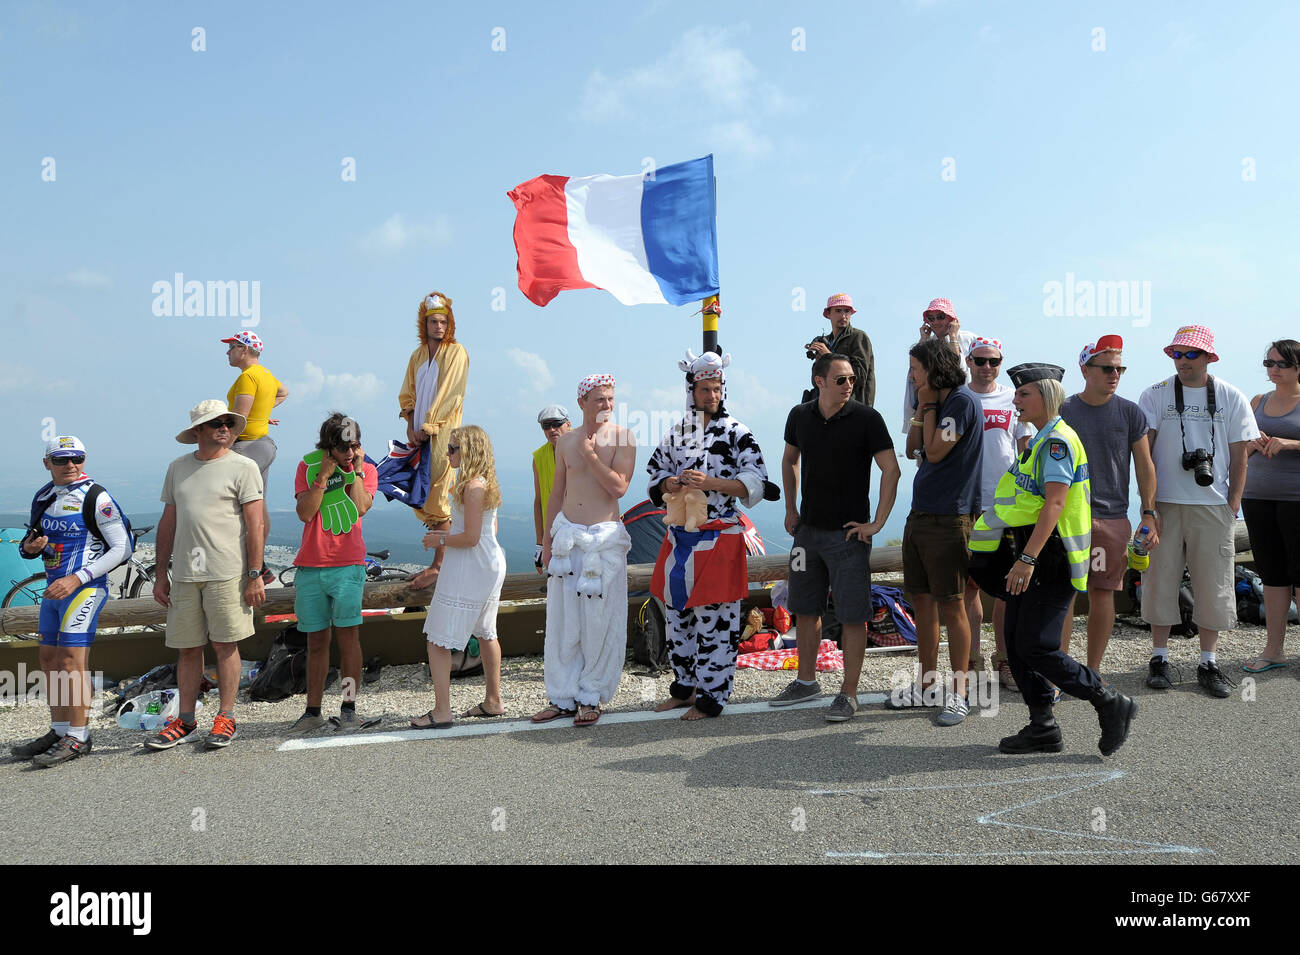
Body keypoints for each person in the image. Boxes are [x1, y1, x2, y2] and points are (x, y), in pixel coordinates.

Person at [969, 363, 1138, 756]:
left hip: (1051, 558)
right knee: (1015, 641)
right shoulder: (1038, 442)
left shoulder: (1058, 442)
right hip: (1030, 554)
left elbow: (1056, 504)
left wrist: (1027, 559)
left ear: (1046, 396)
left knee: (1038, 646)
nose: (1015, 400)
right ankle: (1042, 726)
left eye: (1024, 394)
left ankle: (1109, 700)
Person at [647, 351, 776, 720]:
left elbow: (757, 484)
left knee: (717, 621)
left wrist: (713, 483)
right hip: (681, 536)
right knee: (678, 616)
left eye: (717, 388)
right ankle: (684, 688)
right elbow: (655, 474)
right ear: (692, 391)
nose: (712, 396)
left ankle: (712, 698)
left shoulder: (738, 433)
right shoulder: (677, 431)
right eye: (705, 389)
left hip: (720, 535)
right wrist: (668, 483)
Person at [770, 354, 900, 721]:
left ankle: (849, 693)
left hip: (849, 536)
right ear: (819, 381)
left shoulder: (867, 418)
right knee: (803, 607)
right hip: (806, 533)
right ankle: (806, 681)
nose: (849, 385)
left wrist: (876, 523)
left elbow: (891, 469)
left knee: (853, 615)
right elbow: (789, 460)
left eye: (852, 379)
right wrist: (790, 509)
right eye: (841, 379)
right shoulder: (799, 415)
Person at [1138, 326, 1258, 697]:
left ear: (1209, 358)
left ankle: (1208, 661)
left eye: (1192, 354)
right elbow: (1144, 453)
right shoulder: (1155, 394)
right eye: (1177, 353)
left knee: (1214, 584)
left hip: (1213, 506)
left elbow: (1241, 455)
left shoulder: (1229, 396)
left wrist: (1233, 503)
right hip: (1166, 504)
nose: (1183, 361)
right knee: (1160, 580)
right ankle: (1159, 658)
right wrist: (1148, 508)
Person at [146, 400, 266, 751]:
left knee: (226, 646)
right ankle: (185, 720)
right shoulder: (177, 468)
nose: (224, 428)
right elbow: (168, 522)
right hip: (183, 574)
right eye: (216, 423)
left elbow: (256, 524)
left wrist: (255, 573)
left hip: (227, 572)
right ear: (198, 431)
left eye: (228, 422)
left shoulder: (244, 467)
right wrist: (161, 574)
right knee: (187, 649)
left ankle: (226, 717)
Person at [10, 436, 128, 766]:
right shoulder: (44, 496)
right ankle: (60, 729)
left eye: (77, 458)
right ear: (47, 463)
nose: (71, 465)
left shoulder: (96, 496)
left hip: (84, 589)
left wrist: (78, 578)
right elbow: (30, 542)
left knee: (71, 662)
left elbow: (123, 548)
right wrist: (31, 549)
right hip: (54, 590)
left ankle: (79, 737)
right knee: (49, 659)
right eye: (61, 460)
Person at [531, 375, 636, 727]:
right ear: (582, 403)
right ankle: (562, 696)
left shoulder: (623, 437)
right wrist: (546, 542)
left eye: (610, 399)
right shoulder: (566, 442)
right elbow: (556, 494)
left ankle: (591, 695)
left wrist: (591, 455)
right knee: (563, 622)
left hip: (603, 543)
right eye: (599, 399)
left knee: (599, 622)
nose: (606, 405)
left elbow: (618, 487)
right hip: (568, 540)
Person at [892, 338, 984, 725]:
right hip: (922, 514)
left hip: (952, 517)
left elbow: (933, 451)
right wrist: (923, 406)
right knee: (923, 601)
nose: (911, 377)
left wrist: (927, 405)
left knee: (953, 604)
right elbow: (913, 445)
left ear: (934, 368)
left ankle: (960, 692)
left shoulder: (961, 401)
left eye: (916, 369)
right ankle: (927, 683)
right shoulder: (936, 402)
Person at [1058, 335, 1159, 674]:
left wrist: (1148, 513)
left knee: (1103, 594)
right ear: (1085, 370)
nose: (1115, 375)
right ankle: (1061, 672)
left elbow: (1145, 465)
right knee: (1065, 595)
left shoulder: (1130, 412)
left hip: (1112, 518)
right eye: (1107, 368)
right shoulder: (1064, 410)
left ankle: (1094, 671)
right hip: (1068, 518)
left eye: (1120, 369)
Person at [286, 414, 380, 736]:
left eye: (354, 446)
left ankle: (349, 708)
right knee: (316, 641)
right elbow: (305, 513)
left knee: (348, 639)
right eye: (343, 448)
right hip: (312, 566)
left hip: (348, 564)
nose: (350, 453)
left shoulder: (366, 469)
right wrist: (322, 478)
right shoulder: (307, 467)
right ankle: (312, 711)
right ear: (328, 448)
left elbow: (361, 507)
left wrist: (352, 471)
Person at [411, 426, 508, 728]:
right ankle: (493, 700)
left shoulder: (472, 487)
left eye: (452, 448)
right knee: (486, 631)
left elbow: (471, 537)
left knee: (438, 638)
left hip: (471, 565)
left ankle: (442, 711)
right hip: (488, 565)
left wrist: (438, 540)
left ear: (468, 451)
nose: (447, 453)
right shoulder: (484, 484)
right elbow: (490, 531)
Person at [959, 336, 1032, 690]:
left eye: (993, 361)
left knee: (1005, 587)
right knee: (969, 584)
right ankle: (971, 658)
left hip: (1004, 504)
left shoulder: (1012, 398)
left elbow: (1025, 448)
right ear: (968, 361)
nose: (987, 367)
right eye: (980, 360)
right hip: (966, 503)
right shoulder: (959, 396)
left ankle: (1003, 658)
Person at [397, 291, 469, 576]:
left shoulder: (456, 352)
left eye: (443, 321)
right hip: (419, 433)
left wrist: (431, 426)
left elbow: (452, 394)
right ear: (423, 325)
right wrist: (411, 423)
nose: (439, 326)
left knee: (439, 493)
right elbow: (408, 393)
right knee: (420, 490)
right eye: (433, 322)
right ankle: (440, 562)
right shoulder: (417, 355)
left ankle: (439, 565)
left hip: (443, 434)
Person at [1241, 339, 1300, 671]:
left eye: (1280, 364)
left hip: (1296, 499)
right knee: (1273, 575)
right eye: (1269, 364)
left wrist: (1289, 443)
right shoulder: (1258, 401)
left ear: (1297, 367)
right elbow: (1242, 452)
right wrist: (1253, 443)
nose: (1273, 369)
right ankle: (1274, 651)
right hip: (1258, 497)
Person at [222, 330, 287, 557]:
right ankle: (259, 563)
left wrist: (221, 451)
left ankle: (246, 560)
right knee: (259, 504)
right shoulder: (266, 374)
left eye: (232, 347)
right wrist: (261, 413)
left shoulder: (247, 377)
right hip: (264, 445)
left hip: (246, 446)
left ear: (245, 349)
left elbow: (238, 420)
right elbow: (283, 392)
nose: (228, 352)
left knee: (233, 504)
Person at [900, 297, 978, 434]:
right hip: (931, 406)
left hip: (961, 404)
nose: (935, 322)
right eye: (931, 318)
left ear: (951, 318)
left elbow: (959, 371)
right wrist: (923, 341)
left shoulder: (969, 339)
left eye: (941, 317)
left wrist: (953, 337)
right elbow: (914, 377)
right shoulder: (926, 342)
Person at [803, 293, 875, 406]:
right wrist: (819, 360)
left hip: (853, 408)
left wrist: (829, 356)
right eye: (838, 311)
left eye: (847, 311)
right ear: (828, 314)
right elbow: (816, 382)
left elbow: (860, 377)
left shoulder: (858, 337)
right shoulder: (826, 341)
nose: (843, 316)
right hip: (828, 408)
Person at [532, 404, 571, 573]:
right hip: (554, 537)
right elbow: (539, 502)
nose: (552, 429)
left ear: (568, 424)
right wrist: (540, 545)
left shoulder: (586, 446)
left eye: (557, 423)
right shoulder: (539, 457)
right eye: (546, 426)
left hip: (582, 533)